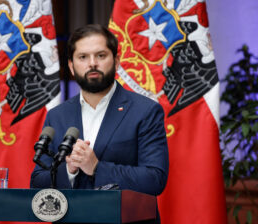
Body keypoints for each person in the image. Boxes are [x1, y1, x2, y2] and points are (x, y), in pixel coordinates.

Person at [30, 24, 169, 222]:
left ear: (117, 62)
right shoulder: (58, 115)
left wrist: (96, 167)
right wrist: (68, 170)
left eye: (101, 55)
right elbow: (37, 181)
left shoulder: (145, 111)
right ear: (71, 66)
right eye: (83, 57)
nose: (92, 63)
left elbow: (154, 179)